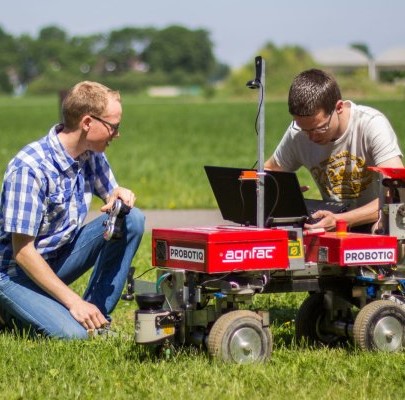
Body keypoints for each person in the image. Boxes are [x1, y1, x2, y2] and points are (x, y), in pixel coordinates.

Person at [0, 81, 145, 339]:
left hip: (56, 258)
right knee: (74, 336)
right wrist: (73, 302)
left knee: (131, 218)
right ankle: (9, 313)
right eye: (114, 127)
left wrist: (120, 196)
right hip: (13, 273)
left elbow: (112, 197)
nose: (117, 134)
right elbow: (23, 252)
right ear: (88, 123)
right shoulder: (30, 168)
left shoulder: (90, 153)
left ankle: (97, 317)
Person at [264, 68, 403, 232]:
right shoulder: (298, 133)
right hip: (333, 223)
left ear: (339, 107)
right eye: (304, 130)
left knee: (384, 228)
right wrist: (281, 190)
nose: (311, 138)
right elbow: (268, 171)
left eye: (319, 129)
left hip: (375, 219)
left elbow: (399, 193)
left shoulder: (371, 124)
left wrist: (340, 220)